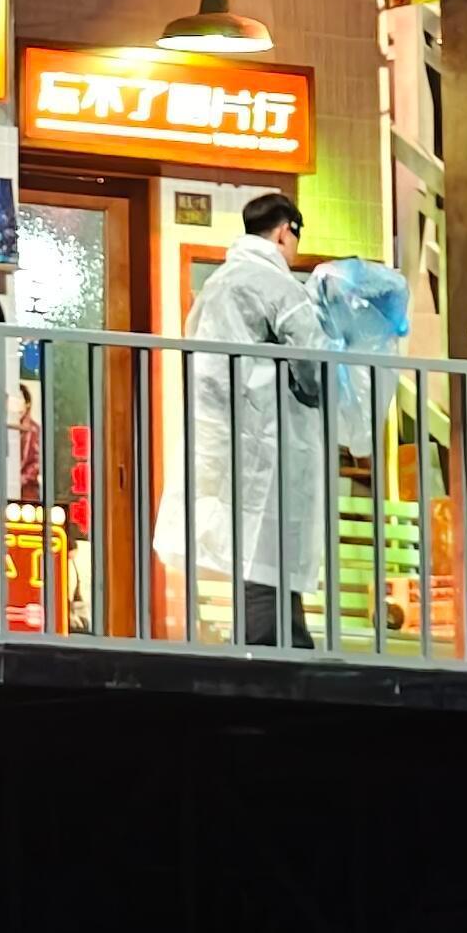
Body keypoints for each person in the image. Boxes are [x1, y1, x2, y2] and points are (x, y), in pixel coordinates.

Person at [154, 189, 327, 648]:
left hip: (222, 435)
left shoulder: (217, 285)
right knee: (266, 548)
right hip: (268, 436)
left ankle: (286, 639)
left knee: (254, 547)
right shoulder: (275, 285)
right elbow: (313, 361)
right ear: (285, 231)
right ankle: (271, 650)